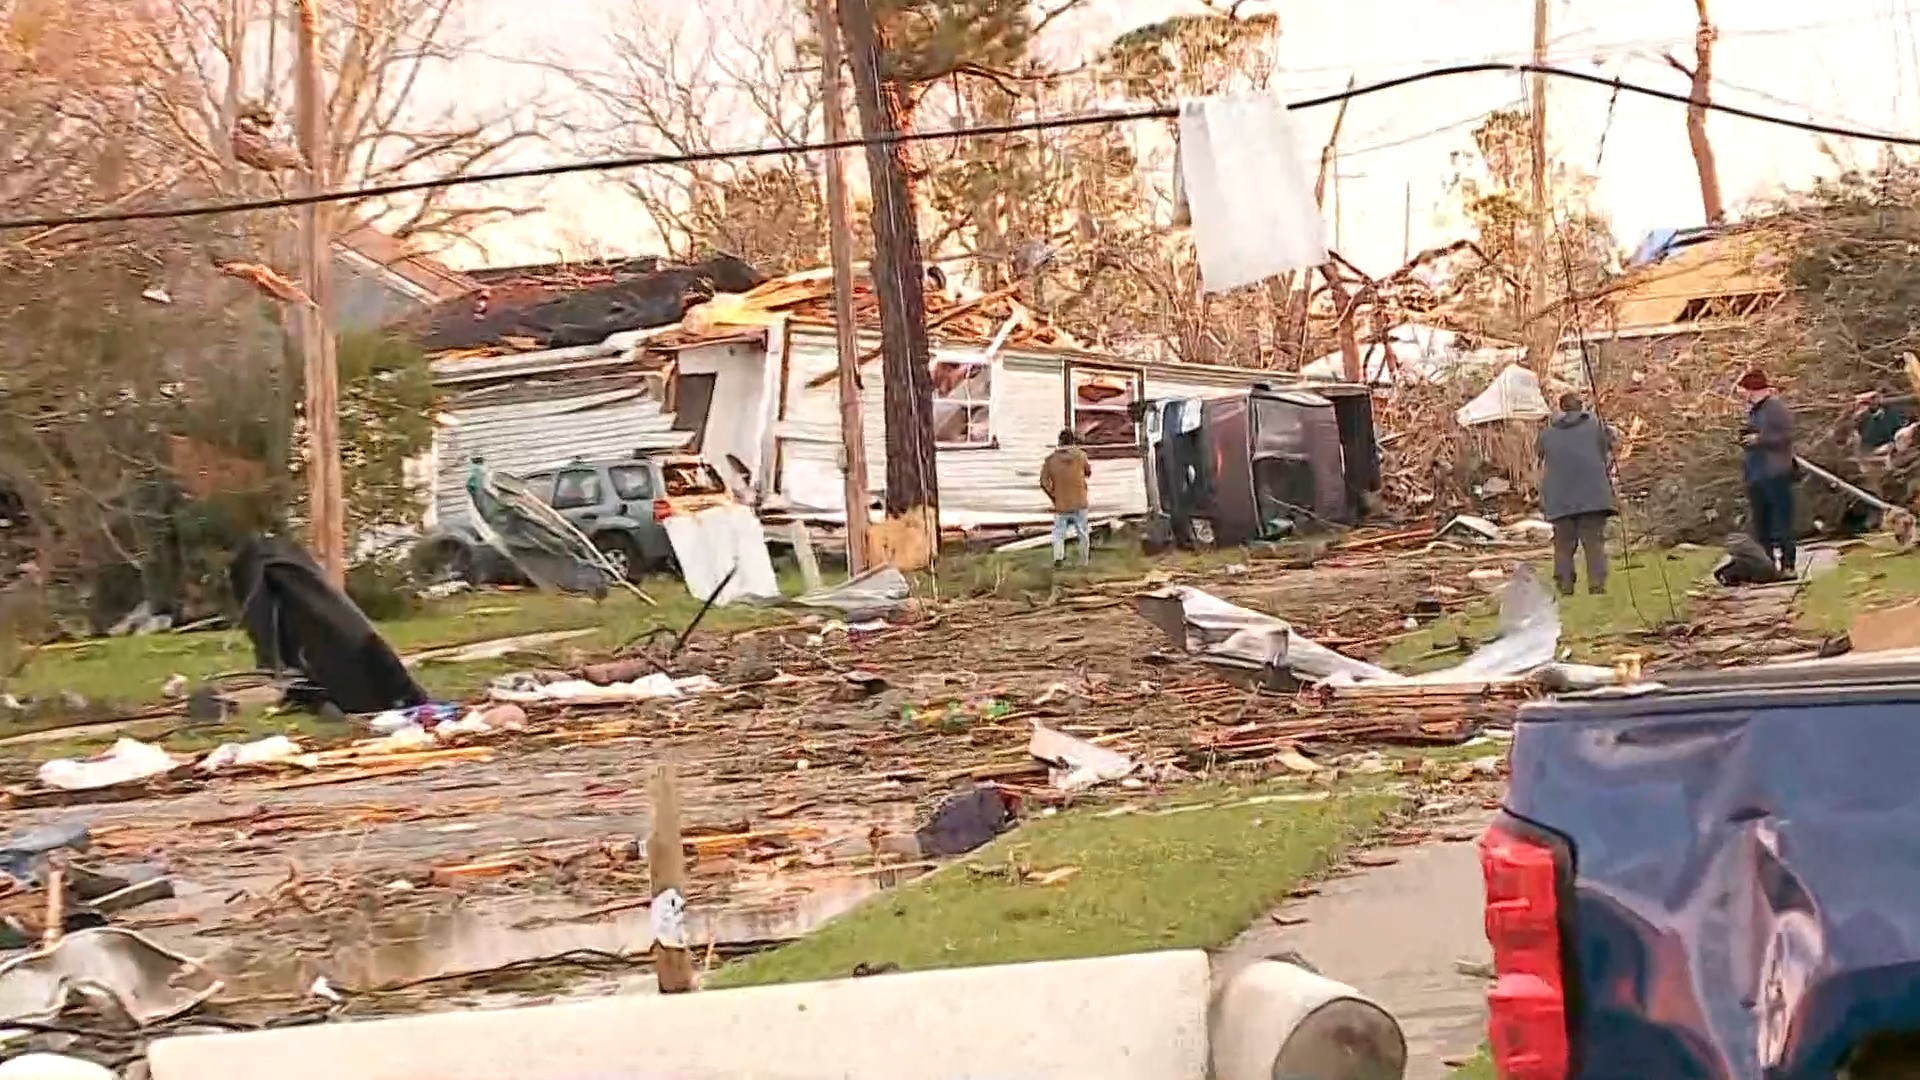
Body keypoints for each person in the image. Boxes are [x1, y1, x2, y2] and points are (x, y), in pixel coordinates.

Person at [1536, 391, 1616, 595]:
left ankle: (1565, 586)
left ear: (1561, 408)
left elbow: (1540, 453)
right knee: (1593, 543)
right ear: (1581, 407)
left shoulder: (1547, 433)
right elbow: (1609, 445)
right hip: (1593, 495)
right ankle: (1597, 585)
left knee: (1563, 545)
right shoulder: (1596, 426)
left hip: (1559, 497)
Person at [1738, 369, 1797, 574]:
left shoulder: (1775, 408)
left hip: (1775, 471)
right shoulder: (1753, 412)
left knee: (1782, 522)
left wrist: (1760, 439)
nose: (1744, 396)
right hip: (1756, 473)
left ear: (1753, 390)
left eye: (1745, 391)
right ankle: (1768, 565)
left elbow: (1786, 436)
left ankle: (1788, 565)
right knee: (1761, 523)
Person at [1039, 428, 1092, 568]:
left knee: (1059, 534)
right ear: (1073, 441)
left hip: (1061, 503)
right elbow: (1088, 472)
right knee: (1083, 533)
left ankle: (1058, 557)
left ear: (1059, 441)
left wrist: (1054, 496)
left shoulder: (1050, 460)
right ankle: (1084, 561)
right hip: (1080, 501)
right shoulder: (1081, 456)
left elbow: (1043, 482)